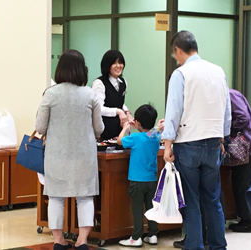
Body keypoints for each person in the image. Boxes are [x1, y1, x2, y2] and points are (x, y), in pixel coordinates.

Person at [162, 31, 231, 250]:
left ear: (178, 50)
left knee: (191, 201)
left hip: (188, 144)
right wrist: (223, 138)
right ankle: (219, 246)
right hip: (213, 144)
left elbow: (173, 112)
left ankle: (195, 246)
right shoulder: (218, 71)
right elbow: (226, 110)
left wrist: (167, 145)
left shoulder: (181, 74)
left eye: (175, 54)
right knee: (212, 200)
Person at [35, 50, 104, 250]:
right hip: (85, 156)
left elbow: (40, 127)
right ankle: (82, 241)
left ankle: (59, 241)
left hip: (56, 155)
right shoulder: (90, 94)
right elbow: (99, 128)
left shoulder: (50, 93)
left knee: (56, 197)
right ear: (82, 70)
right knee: (84, 197)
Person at [117, 104, 160, 247]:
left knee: (137, 209)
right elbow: (152, 132)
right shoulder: (155, 136)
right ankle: (152, 234)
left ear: (138, 123)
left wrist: (125, 128)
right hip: (152, 179)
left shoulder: (135, 137)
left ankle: (136, 237)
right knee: (151, 207)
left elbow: (119, 141)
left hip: (137, 180)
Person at [228, 89, 251, 233]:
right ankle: (245, 219)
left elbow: (243, 117)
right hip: (244, 146)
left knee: (244, 184)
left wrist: (229, 128)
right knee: (239, 183)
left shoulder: (230, 95)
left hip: (247, 145)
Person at [92, 50, 133, 140]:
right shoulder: (99, 83)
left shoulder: (123, 82)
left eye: (120, 62)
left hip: (118, 130)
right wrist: (118, 111)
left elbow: (119, 102)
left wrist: (127, 113)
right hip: (103, 131)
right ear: (107, 65)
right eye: (114, 63)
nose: (118, 66)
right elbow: (98, 108)